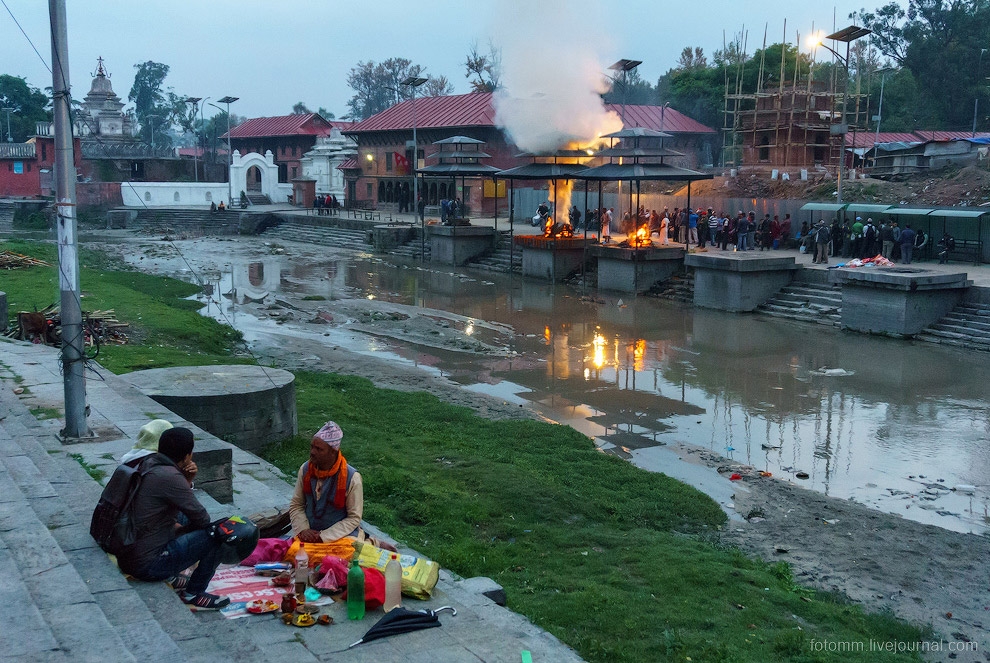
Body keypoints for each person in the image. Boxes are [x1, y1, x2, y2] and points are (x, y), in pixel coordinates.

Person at [116, 427, 230, 610]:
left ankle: (170, 573)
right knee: (218, 535)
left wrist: (187, 480)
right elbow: (203, 519)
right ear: (187, 456)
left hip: (129, 554)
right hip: (147, 564)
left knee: (183, 516)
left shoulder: (149, 462)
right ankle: (194, 593)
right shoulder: (170, 476)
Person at [288, 421, 395, 553]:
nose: (312, 452)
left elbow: (354, 518)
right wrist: (303, 530)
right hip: (309, 534)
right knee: (293, 553)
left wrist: (323, 537)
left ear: (333, 452)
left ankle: (371, 543)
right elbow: (296, 504)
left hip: (339, 536)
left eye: (319, 449)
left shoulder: (352, 477)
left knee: (344, 557)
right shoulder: (305, 470)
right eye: (312, 447)